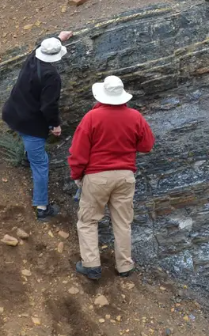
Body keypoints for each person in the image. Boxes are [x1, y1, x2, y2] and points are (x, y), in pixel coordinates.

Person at [69, 76, 154, 280]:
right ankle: (124, 266)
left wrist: (76, 175)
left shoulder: (91, 117)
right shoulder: (135, 116)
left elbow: (78, 152)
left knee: (88, 220)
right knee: (123, 222)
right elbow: (147, 145)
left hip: (97, 176)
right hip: (125, 176)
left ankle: (91, 265)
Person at [1, 33, 72, 221]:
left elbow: (43, 44)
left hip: (12, 113)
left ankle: (26, 158)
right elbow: (49, 106)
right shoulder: (52, 76)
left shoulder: (33, 57)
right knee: (41, 164)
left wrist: (58, 37)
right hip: (31, 124)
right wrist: (55, 125)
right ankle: (42, 207)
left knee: (29, 145)